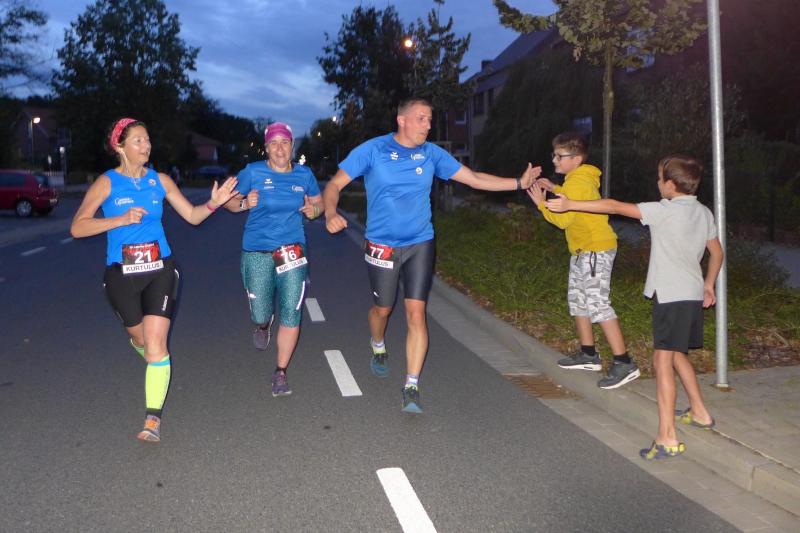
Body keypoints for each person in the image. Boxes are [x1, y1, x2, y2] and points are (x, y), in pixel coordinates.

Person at [323, 97, 541, 413]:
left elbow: (474, 178)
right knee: (383, 310)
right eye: (421, 118)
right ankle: (378, 344)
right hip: (382, 244)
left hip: (420, 242)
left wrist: (519, 182)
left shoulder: (431, 154)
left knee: (416, 313)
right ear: (402, 120)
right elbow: (334, 185)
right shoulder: (373, 150)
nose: (428, 125)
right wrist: (330, 212)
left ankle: (411, 386)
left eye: (430, 119)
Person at [542, 154, 723, 459]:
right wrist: (708, 284)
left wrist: (571, 203)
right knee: (677, 354)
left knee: (662, 361)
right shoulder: (703, 212)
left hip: (671, 294)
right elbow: (717, 253)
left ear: (671, 184)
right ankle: (701, 413)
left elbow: (613, 206)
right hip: (691, 293)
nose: (657, 182)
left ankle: (667, 436)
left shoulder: (664, 210)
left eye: (659, 178)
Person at [70, 118, 238, 442]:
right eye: (138, 140)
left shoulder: (159, 181)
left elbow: (192, 216)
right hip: (121, 275)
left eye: (147, 139)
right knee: (144, 343)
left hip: (160, 269)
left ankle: (152, 420)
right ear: (120, 146)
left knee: (158, 346)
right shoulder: (106, 183)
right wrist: (118, 220)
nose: (146, 145)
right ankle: (152, 361)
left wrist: (214, 204)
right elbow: (77, 227)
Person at [527, 132, 639, 389]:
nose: (554, 160)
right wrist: (553, 188)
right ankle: (588, 354)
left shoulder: (577, 181)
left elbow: (563, 219)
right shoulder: (575, 179)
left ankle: (624, 362)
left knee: (598, 303)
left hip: (594, 249)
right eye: (554, 155)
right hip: (582, 250)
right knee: (578, 301)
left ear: (576, 159)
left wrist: (542, 204)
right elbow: (573, 199)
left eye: (559, 156)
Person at [223, 122, 323, 397]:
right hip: (257, 252)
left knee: (291, 311)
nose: (280, 149)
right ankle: (263, 324)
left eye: (285, 142)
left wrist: (314, 211)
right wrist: (245, 203)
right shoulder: (253, 172)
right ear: (266, 148)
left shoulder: (304, 174)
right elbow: (228, 202)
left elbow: (318, 202)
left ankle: (280, 372)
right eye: (274, 144)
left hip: (292, 250)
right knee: (260, 312)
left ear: (292, 146)